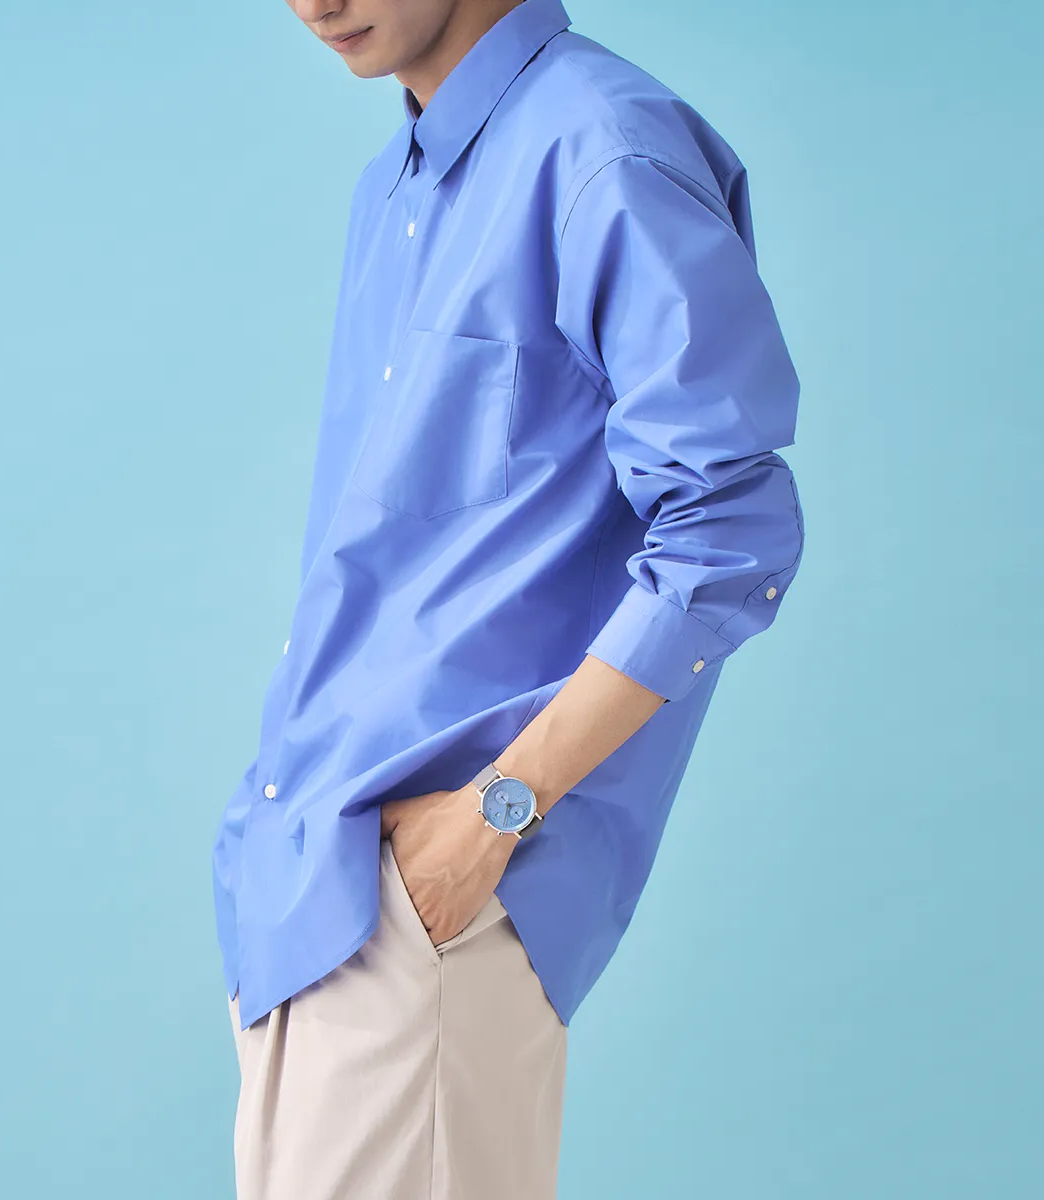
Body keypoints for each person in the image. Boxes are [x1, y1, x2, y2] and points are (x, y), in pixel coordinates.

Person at [210, 1, 806, 1196]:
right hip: (308, 883)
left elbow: (730, 527)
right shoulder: (397, 185)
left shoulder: (605, 149)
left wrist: (494, 814)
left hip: (433, 902)